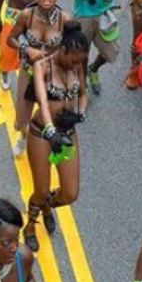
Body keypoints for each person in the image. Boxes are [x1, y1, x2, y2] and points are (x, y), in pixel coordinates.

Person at [18, 18, 86, 252]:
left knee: (70, 193)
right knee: (41, 189)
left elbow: (83, 92)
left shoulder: (78, 66)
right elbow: (43, 101)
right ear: (63, 50)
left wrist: (80, 113)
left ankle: (46, 206)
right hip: (41, 134)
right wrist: (50, 129)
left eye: (81, 61)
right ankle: (30, 224)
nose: (77, 65)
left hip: (67, 132)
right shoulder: (43, 66)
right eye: (73, 60)